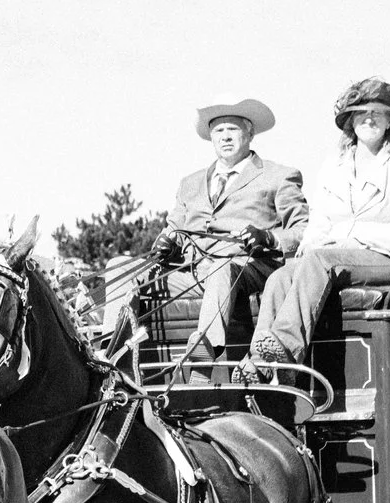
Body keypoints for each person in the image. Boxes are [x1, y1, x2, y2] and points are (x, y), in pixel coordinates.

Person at [102, 94, 304, 364]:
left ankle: (204, 352)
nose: (225, 137)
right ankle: (113, 353)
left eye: (232, 129)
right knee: (119, 264)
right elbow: (172, 227)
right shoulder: (190, 182)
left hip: (245, 268)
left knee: (222, 268)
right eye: (218, 130)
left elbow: (303, 231)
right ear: (211, 137)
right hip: (190, 271)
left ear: (250, 133)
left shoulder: (279, 176)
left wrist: (267, 237)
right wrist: (165, 243)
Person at [247, 77, 390, 368]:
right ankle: (258, 364)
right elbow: (319, 221)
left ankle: (286, 348)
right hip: (330, 256)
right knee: (281, 277)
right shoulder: (333, 165)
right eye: (362, 112)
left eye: (377, 113)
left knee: (320, 261)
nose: (369, 118)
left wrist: (347, 235)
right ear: (351, 121)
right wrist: (306, 247)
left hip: (385, 258)